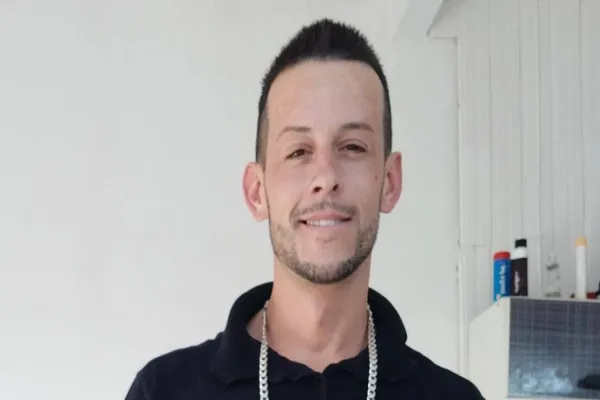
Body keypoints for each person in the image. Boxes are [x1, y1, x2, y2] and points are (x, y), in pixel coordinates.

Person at [124, 18, 484, 400]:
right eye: (298, 151)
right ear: (257, 191)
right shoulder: (162, 390)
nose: (326, 176)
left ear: (390, 182)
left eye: (353, 147)